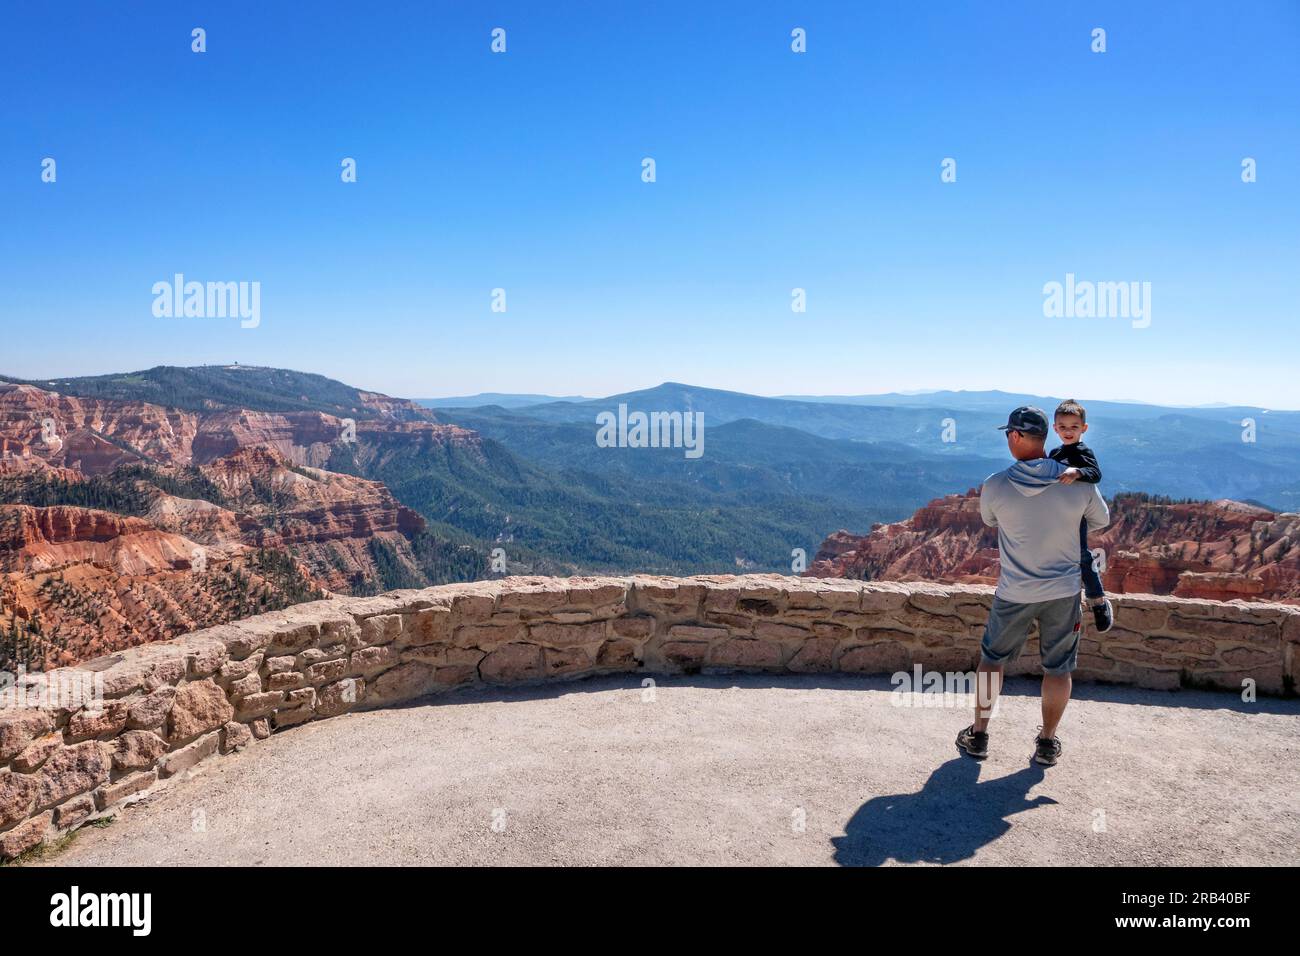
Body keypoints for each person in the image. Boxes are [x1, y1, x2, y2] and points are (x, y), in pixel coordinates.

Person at [956, 406, 1110, 766]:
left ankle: (978, 736)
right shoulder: (1079, 481)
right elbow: (1100, 521)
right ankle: (1046, 743)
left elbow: (989, 519)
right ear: (1047, 437)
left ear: (1014, 437)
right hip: (1064, 592)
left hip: (1014, 592)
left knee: (992, 662)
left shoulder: (995, 485)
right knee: (1058, 669)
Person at [1050, 399, 1114, 632]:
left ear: (1083, 429)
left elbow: (1095, 474)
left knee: (1082, 556)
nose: (1068, 431)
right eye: (1063, 427)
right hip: (1055, 514)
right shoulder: (1055, 452)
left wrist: (1077, 472)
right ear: (1055, 428)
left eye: (1074, 427)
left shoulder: (1083, 451)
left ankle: (1097, 601)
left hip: (1076, 517)